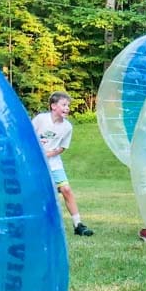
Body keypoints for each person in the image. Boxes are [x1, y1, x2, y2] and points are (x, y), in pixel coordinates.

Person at [34, 92, 93, 236]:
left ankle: (78, 225)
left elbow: (62, 148)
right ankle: (37, 224)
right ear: (53, 106)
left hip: (54, 163)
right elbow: (27, 135)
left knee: (66, 189)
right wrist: (37, 150)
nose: (67, 108)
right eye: (64, 105)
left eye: (68, 105)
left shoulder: (67, 127)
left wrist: (49, 154)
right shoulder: (41, 119)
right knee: (38, 193)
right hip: (36, 163)